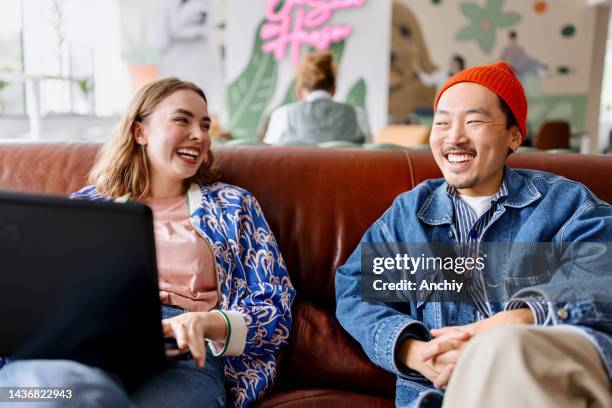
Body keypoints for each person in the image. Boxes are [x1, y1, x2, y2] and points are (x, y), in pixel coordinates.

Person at [0, 78, 296, 408]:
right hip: (88, 339)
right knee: (40, 394)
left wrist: (204, 321)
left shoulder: (234, 205)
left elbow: (275, 310)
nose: (199, 134)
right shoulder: (87, 206)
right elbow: (39, 299)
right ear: (140, 132)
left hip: (184, 352)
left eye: (205, 124)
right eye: (182, 120)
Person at [335, 62, 612, 407]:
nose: (454, 137)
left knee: (506, 346)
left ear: (514, 135)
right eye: (442, 123)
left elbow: (604, 268)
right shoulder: (409, 215)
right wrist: (414, 351)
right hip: (443, 393)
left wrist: (520, 318)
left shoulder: (565, 204)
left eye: (474, 121)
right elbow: (356, 290)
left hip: (545, 378)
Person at [264, 50, 371, 145]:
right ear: (334, 90)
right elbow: (369, 154)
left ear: (299, 90)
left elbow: (268, 157)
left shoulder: (283, 115)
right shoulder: (358, 115)